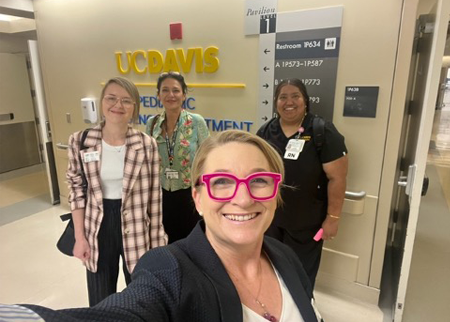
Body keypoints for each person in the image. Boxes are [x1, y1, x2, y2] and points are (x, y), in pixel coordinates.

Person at [16, 130, 323, 322]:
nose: (242, 199)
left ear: (276, 192)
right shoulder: (169, 271)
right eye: (221, 182)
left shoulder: (285, 257)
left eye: (258, 180)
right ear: (198, 198)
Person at [67, 77, 167, 306]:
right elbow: (77, 191)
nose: (117, 105)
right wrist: (80, 237)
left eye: (126, 101)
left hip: (137, 225)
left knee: (142, 294)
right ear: (102, 102)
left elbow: (154, 197)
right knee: (101, 298)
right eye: (111, 98)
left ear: (134, 108)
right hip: (98, 225)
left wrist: (158, 242)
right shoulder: (81, 141)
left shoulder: (146, 144)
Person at [257, 78, 348, 288]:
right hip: (272, 220)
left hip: (307, 223)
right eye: (283, 97)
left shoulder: (322, 131)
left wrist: (332, 219)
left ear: (305, 100)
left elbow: (338, 178)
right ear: (276, 102)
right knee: (271, 270)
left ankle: (302, 311)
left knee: (301, 276)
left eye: (295, 96)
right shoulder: (265, 131)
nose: (289, 102)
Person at [146, 71, 209, 243]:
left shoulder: (197, 122)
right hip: (161, 196)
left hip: (190, 196)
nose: (170, 95)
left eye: (175, 90)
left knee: (192, 244)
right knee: (166, 243)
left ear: (184, 94)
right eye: (165, 90)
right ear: (158, 95)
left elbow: (208, 158)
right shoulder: (152, 123)